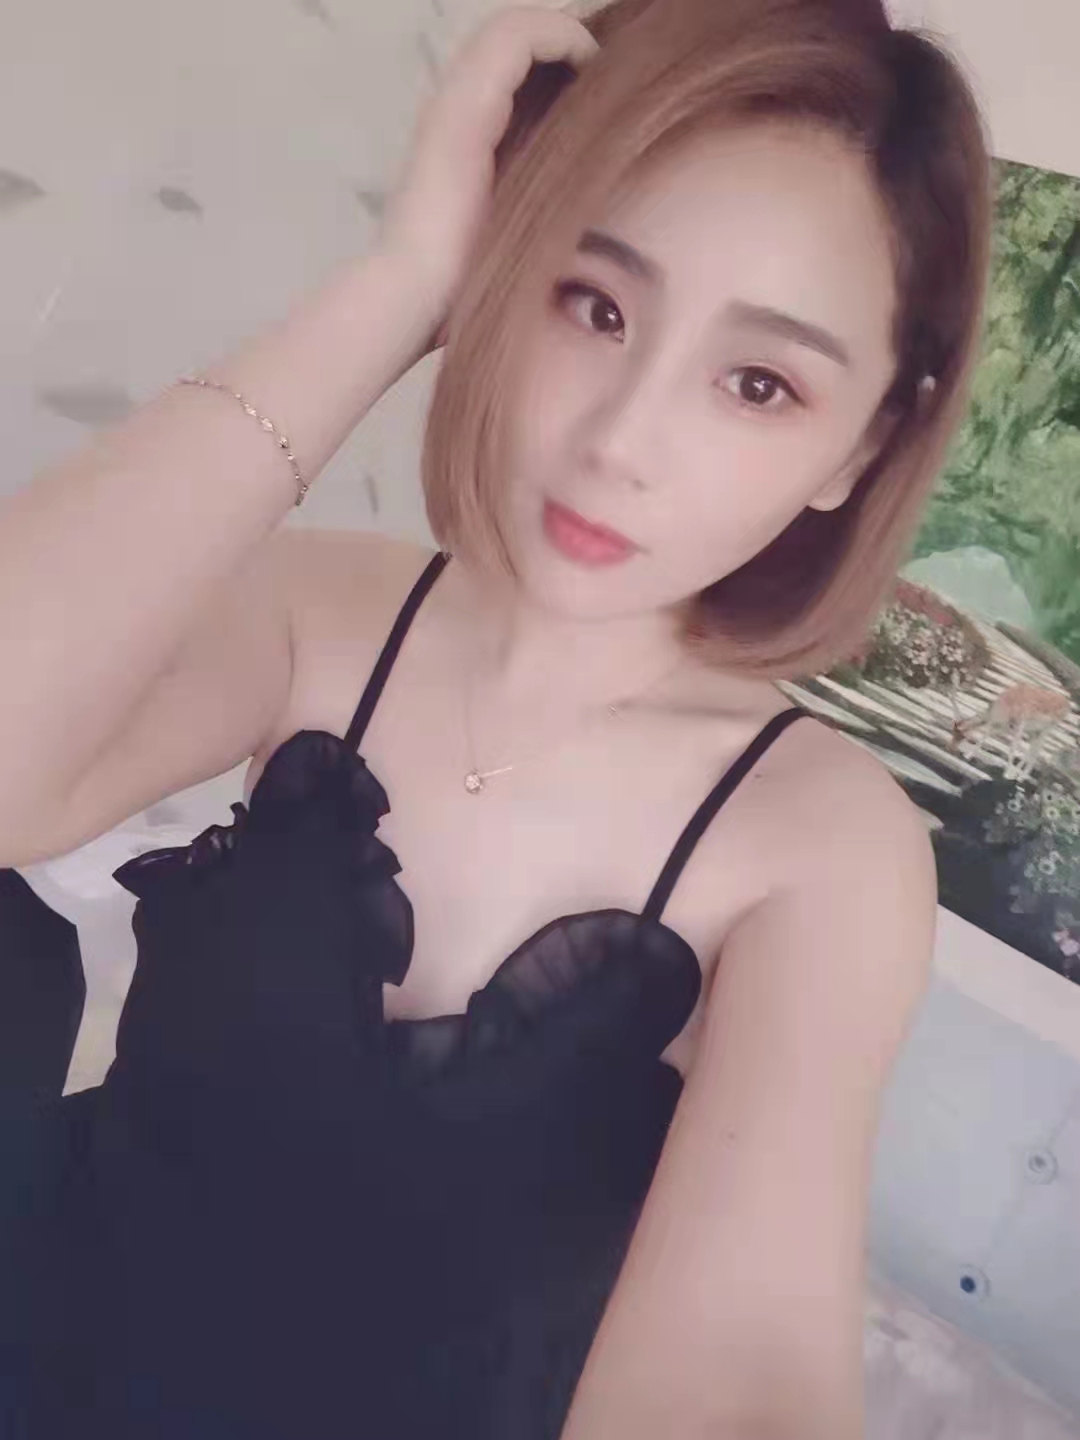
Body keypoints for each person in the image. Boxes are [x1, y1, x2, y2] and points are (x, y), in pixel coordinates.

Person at [0, 0, 992, 1436]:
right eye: (593, 303)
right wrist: (403, 281)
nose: (619, 439)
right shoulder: (323, 609)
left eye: (758, 382)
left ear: (865, 447)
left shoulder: (824, 849)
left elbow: (742, 1371)